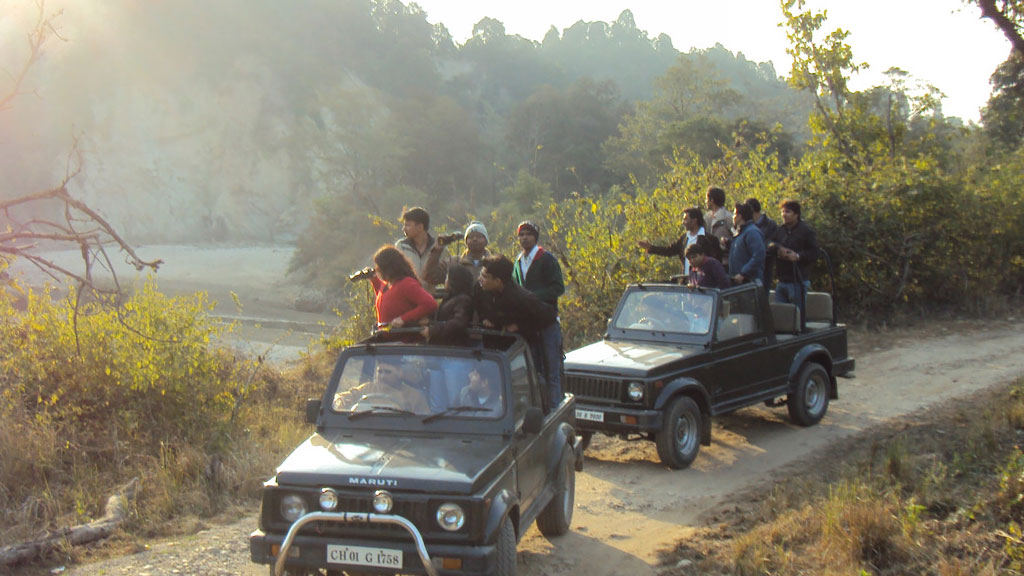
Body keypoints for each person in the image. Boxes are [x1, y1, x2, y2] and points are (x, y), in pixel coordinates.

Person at [475, 255, 561, 411]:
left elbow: (547, 316)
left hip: (541, 330)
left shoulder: (520, 297)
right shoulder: (486, 290)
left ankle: (551, 409)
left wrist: (520, 325)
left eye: (485, 277)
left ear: (498, 281)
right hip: (517, 334)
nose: (480, 279)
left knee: (543, 374)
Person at [511, 221, 565, 410]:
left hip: (547, 322)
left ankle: (555, 409)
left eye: (528, 234)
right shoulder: (518, 261)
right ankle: (540, 409)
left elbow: (558, 287)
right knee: (534, 369)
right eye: (521, 235)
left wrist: (533, 296)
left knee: (552, 370)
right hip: (529, 324)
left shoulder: (546, 259)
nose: (524, 238)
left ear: (535, 237)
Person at [767, 199, 819, 331]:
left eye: (788, 212)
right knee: (780, 319)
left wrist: (798, 256)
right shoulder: (780, 230)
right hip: (782, 281)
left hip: (798, 281)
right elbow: (769, 243)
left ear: (796, 214)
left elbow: (815, 253)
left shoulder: (806, 231)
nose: (784, 214)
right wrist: (778, 248)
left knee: (797, 320)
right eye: (782, 211)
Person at [370, 246, 438, 329]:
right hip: (385, 335)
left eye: (379, 268)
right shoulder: (388, 284)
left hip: (402, 336)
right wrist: (373, 279)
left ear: (389, 268)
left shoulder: (407, 284)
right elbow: (386, 299)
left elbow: (430, 304)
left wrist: (403, 319)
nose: (377, 270)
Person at [333, 357, 430, 413]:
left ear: (399, 373)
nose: (382, 376)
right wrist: (339, 401)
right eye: (380, 372)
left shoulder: (414, 396)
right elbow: (343, 397)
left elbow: (423, 423)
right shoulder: (367, 388)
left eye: (388, 372)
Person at [637, 206, 707, 276]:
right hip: (686, 281)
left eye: (685, 219)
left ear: (694, 221)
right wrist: (651, 248)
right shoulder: (684, 239)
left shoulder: (707, 239)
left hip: (703, 281)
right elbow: (669, 251)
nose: (683, 222)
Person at [395, 207, 449, 291]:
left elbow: (447, 275)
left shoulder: (439, 249)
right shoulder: (401, 247)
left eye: (408, 225)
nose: (404, 229)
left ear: (420, 227)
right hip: (406, 295)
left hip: (430, 296)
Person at [421, 265, 474, 346]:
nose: (445, 281)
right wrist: (429, 320)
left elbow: (458, 323)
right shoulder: (451, 297)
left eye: (447, 278)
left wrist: (433, 331)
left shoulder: (464, 300)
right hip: (444, 343)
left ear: (454, 281)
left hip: (453, 346)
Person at [727, 202, 766, 286]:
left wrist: (743, 273)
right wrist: (727, 244)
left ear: (740, 216)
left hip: (749, 283)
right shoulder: (740, 232)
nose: (733, 217)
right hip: (738, 282)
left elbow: (758, 256)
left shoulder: (752, 232)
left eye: (734, 214)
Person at [747, 197, 778, 287]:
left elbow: (774, 243)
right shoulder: (747, 224)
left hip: (765, 266)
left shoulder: (770, 224)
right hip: (750, 266)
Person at [704, 186, 732, 253]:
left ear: (711, 200)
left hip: (725, 257)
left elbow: (736, 237)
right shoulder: (706, 218)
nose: (705, 201)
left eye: (706, 199)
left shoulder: (728, 218)